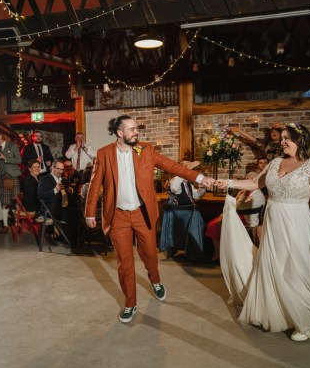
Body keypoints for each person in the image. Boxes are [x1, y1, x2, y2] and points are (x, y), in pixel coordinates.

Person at [215, 122, 310, 341]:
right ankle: (281, 310)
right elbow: (254, 183)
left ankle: (306, 320)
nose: (282, 141)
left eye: (287, 137)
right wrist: (227, 182)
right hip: (273, 221)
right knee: (276, 266)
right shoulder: (275, 162)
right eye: (282, 137)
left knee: (296, 269)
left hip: (297, 222)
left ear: (301, 140)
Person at [85, 115, 215, 323]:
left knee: (150, 256)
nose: (136, 132)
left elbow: (173, 166)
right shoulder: (104, 154)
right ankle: (130, 303)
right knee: (125, 263)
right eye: (132, 129)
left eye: (137, 128)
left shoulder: (145, 149)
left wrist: (200, 178)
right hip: (118, 216)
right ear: (120, 133)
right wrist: (90, 212)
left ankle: (155, 280)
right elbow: (94, 185)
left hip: (141, 213)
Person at [206, 171, 265, 262]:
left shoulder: (256, 195)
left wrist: (243, 194)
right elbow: (236, 202)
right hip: (242, 216)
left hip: (248, 221)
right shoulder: (249, 192)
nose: (246, 182)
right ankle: (217, 252)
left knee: (214, 225)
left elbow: (238, 206)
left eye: (249, 180)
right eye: (246, 179)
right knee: (212, 222)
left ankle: (218, 255)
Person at [159, 160, 207, 261]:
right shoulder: (174, 181)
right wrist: (183, 171)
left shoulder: (188, 184)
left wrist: (203, 188)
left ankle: (194, 248)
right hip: (177, 212)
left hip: (187, 211)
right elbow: (174, 188)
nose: (191, 173)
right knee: (196, 214)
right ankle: (194, 247)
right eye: (189, 171)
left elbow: (195, 196)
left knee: (197, 213)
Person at [37, 159, 79, 247]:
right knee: (74, 214)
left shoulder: (63, 180)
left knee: (78, 211)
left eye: (62, 169)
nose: (60, 171)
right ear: (53, 167)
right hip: (51, 210)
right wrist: (55, 190)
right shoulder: (45, 179)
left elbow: (70, 193)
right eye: (58, 169)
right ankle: (73, 242)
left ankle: (76, 240)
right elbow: (40, 195)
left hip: (62, 208)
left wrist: (71, 191)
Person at [0, 130, 22, 233]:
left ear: (1, 136)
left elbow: (19, 160)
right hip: (2, 177)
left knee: (15, 201)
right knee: (4, 202)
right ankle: (5, 225)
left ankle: (18, 224)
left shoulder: (12, 146)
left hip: (13, 176)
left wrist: (6, 158)